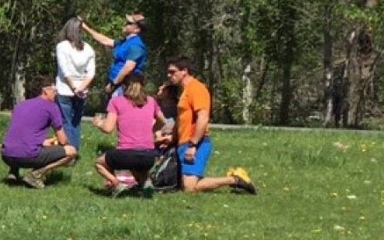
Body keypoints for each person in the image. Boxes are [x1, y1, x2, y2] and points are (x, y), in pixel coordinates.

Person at [165, 58, 257, 194]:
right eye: (168, 72)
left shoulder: (196, 88)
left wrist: (193, 144)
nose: (169, 75)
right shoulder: (185, 91)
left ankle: (235, 180)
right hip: (183, 143)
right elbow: (182, 119)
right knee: (183, 185)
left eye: (172, 72)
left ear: (184, 71)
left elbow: (203, 117)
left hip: (196, 143)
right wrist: (172, 138)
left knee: (189, 188)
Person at [90, 71, 165, 195]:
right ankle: (145, 184)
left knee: (99, 163)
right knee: (138, 165)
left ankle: (116, 183)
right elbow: (162, 121)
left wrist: (99, 123)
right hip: (149, 156)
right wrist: (152, 131)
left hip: (125, 154)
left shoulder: (116, 102)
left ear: (123, 87)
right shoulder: (151, 101)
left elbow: (108, 129)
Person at [0, 79, 77, 189]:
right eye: (54, 89)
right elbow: (63, 140)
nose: (56, 92)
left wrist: (43, 142)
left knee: (18, 141)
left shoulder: (21, 105)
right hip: (27, 156)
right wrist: (66, 145)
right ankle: (36, 175)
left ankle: (13, 173)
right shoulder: (51, 106)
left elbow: (21, 132)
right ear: (45, 91)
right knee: (71, 151)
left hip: (6, 155)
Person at [54, 16, 95, 149]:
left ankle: (68, 152)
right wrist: (81, 88)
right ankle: (74, 149)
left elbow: (65, 70)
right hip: (82, 91)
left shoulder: (62, 46)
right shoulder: (88, 48)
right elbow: (90, 73)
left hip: (65, 89)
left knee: (66, 121)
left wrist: (73, 87)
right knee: (76, 122)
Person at [83, 12, 148, 95]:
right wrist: (85, 28)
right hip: (118, 85)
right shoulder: (125, 42)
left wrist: (113, 84)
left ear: (137, 29)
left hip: (126, 86)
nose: (125, 24)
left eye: (129, 23)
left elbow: (128, 68)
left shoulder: (136, 45)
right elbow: (105, 41)